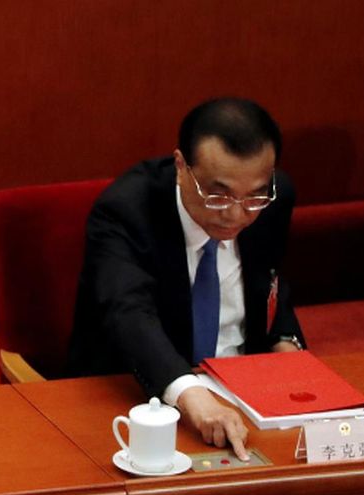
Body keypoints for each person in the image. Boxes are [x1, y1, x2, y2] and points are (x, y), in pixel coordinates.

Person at [65, 98, 305, 460]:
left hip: (249, 400)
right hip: (142, 401)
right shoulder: (126, 210)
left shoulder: (272, 199)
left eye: (253, 195)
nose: (236, 215)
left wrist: (288, 350)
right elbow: (128, 312)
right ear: (181, 166)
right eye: (218, 194)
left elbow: (270, 286)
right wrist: (192, 395)